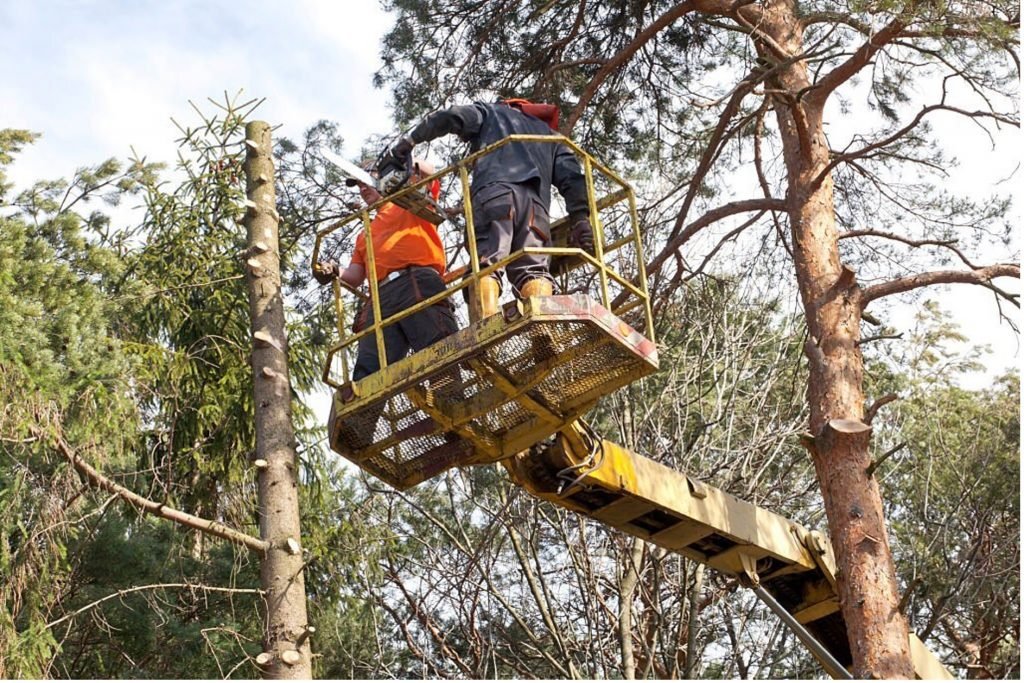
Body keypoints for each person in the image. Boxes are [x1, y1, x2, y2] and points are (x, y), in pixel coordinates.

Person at [377, 99, 595, 320]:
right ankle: (542, 328)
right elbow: (573, 178)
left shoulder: (491, 112)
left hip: (495, 194)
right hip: (535, 209)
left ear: (508, 105)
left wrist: (410, 141)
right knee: (533, 271)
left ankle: (486, 328)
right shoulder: (551, 137)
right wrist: (580, 219)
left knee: (487, 264)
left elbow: (453, 116)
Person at [315, 158, 457, 382]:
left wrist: (401, 159)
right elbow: (355, 275)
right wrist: (333, 270)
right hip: (381, 299)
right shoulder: (365, 234)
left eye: (365, 181)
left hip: (416, 281)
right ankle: (362, 417)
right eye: (358, 185)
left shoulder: (410, 203)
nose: (362, 188)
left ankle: (451, 399)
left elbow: (430, 175)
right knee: (369, 371)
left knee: (438, 349)